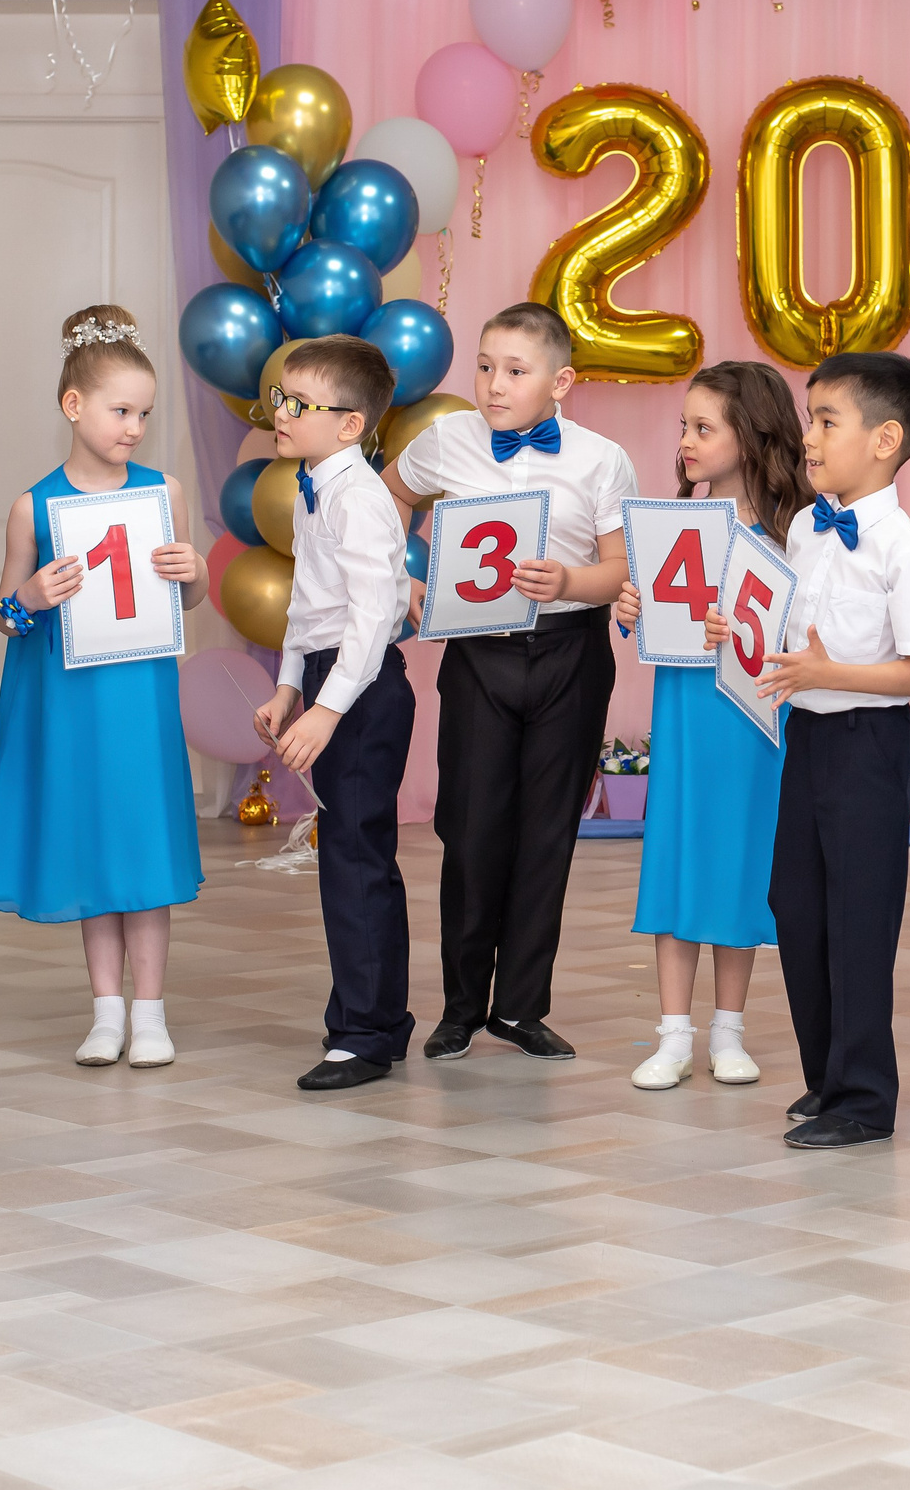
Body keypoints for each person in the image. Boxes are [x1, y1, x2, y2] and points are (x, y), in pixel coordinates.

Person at [709, 352, 910, 1149]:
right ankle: (826, 1077)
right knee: (796, 901)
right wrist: (739, 634)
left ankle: (865, 1097)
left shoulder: (907, 551)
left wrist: (829, 671)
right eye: (810, 417)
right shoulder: (808, 529)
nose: (808, 436)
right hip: (807, 735)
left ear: (886, 440)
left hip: (866, 741)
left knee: (858, 916)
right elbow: (790, 634)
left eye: (826, 420)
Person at [383, 303, 635, 1062]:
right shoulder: (446, 440)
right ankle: (461, 1006)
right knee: (471, 826)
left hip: (570, 653)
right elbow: (389, 493)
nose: (494, 384)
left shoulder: (601, 457)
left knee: (546, 832)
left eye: (515, 371)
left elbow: (622, 568)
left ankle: (520, 1007)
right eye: (486, 366)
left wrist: (569, 577)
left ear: (560, 381)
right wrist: (405, 578)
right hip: (478, 657)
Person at [0, 306, 204, 1070]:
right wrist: (30, 595)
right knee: (92, 844)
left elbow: (186, 603)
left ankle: (152, 1010)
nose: (134, 426)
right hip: (70, 700)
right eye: (121, 410)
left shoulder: (162, 491)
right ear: (75, 407)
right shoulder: (32, 506)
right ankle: (106, 1011)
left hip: (138, 696)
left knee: (142, 842)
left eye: (144, 413)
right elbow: (6, 616)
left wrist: (192, 575)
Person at [613, 361, 809, 1092]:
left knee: (739, 860)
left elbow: (808, 633)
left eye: (704, 427)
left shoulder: (798, 535)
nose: (687, 442)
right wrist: (631, 609)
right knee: (677, 851)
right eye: (684, 427)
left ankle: (729, 1028)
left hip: (754, 719)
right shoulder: (675, 527)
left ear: (752, 436)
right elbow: (661, 626)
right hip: (686, 712)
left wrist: (754, 626)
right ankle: (674, 1033)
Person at [252, 336, 416, 1092]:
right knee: (348, 853)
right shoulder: (318, 487)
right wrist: (289, 687)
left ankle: (365, 1034)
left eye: (299, 404)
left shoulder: (359, 499)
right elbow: (307, 606)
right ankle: (370, 1015)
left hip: (361, 685)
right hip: (326, 677)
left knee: (355, 857)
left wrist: (324, 709)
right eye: (281, 398)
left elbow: (371, 619)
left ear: (350, 425)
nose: (279, 412)